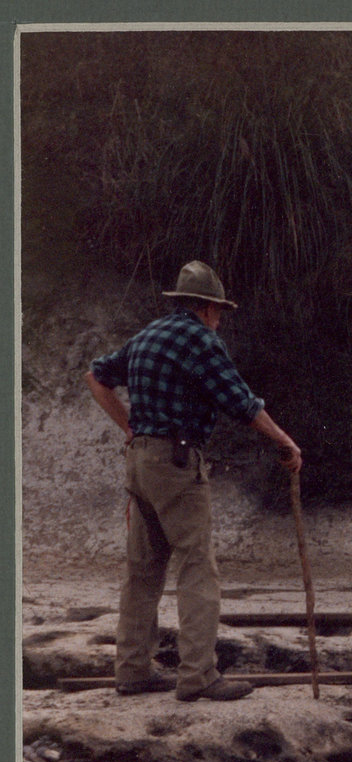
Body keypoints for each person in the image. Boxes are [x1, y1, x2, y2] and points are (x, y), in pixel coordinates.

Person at [86, 261, 302, 701]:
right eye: (218, 310)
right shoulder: (201, 340)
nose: (220, 318)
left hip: (140, 461)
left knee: (143, 571)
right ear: (206, 308)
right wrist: (285, 442)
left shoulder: (148, 335)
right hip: (177, 462)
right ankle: (198, 675)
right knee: (197, 565)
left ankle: (131, 670)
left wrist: (129, 427)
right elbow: (241, 402)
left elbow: (96, 376)